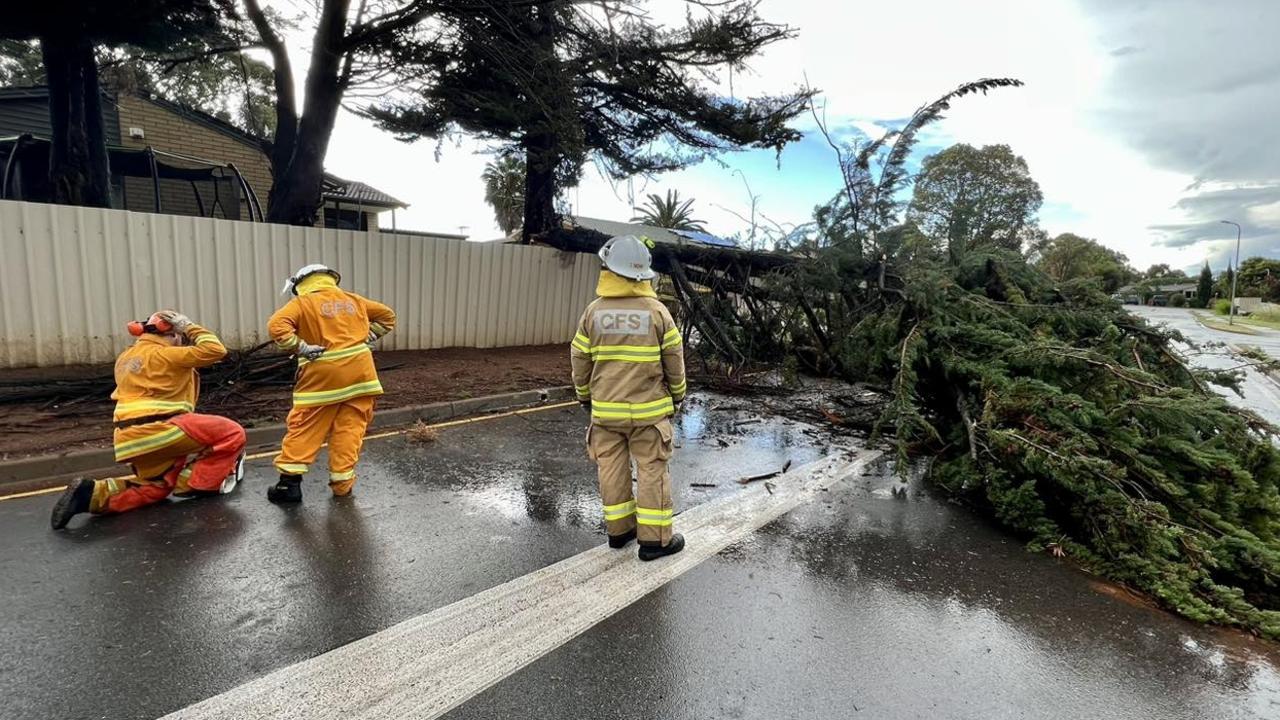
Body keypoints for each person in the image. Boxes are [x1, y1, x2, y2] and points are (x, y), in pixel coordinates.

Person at [50, 311, 246, 530]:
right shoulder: (166, 354)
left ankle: (90, 495)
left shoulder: (125, 358)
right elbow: (215, 350)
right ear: (172, 333)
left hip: (127, 437)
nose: (182, 341)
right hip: (161, 426)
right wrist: (189, 326)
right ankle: (194, 484)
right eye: (180, 336)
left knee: (156, 486)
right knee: (232, 432)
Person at [570, 235, 687, 561]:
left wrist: (584, 396)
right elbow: (674, 360)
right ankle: (656, 541)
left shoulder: (593, 313)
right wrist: (678, 396)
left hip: (605, 413)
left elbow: (580, 358)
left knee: (611, 469)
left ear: (609, 268)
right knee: (651, 469)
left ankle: (620, 532)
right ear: (642, 273)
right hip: (649, 415)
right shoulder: (658, 312)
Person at [266, 263, 396, 503]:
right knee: (350, 428)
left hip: (321, 379)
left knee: (306, 426)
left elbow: (277, 326)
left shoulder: (301, 303)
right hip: (361, 377)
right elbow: (387, 316)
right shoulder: (353, 300)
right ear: (330, 279)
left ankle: (289, 486)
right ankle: (342, 484)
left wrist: (301, 347)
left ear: (302, 284)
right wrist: (370, 335)